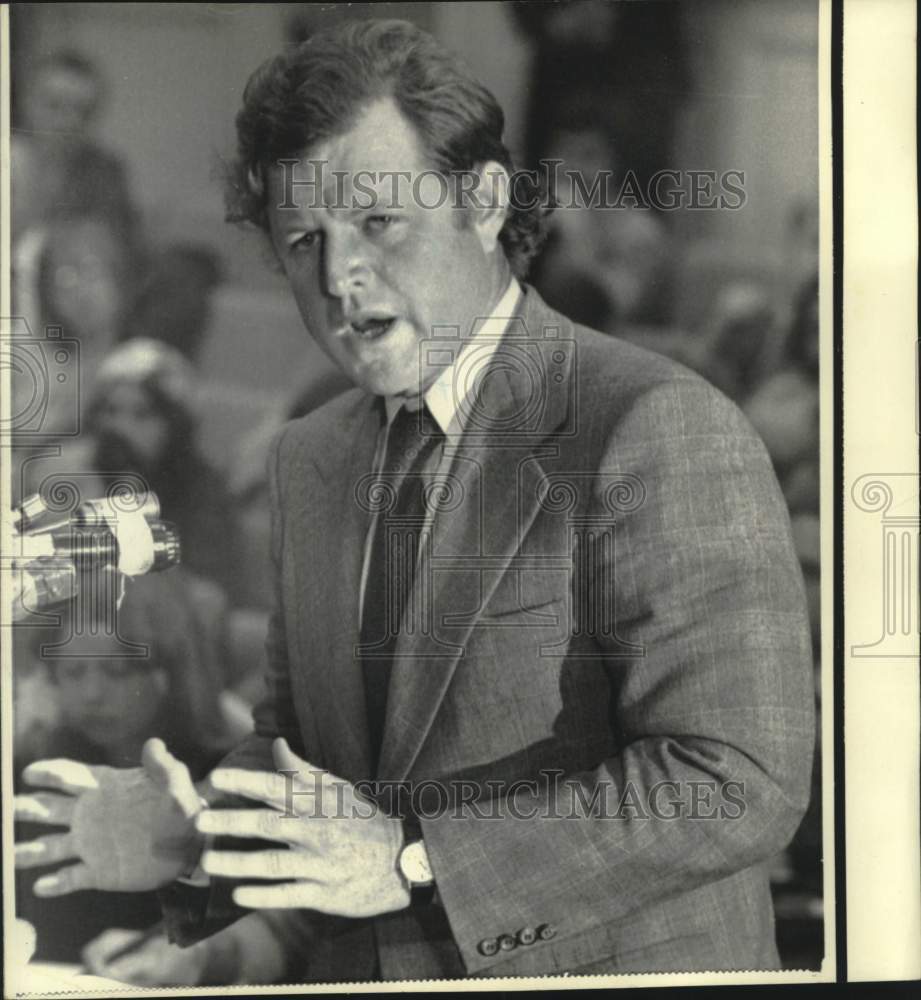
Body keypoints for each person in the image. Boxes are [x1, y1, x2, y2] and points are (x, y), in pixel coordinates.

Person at [15, 19, 816, 982]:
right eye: (303, 237)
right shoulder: (309, 458)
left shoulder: (654, 423)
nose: (338, 276)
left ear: (481, 200)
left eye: (377, 220)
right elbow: (317, 753)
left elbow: (738, 778)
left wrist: (410, 861)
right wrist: (200, 835)